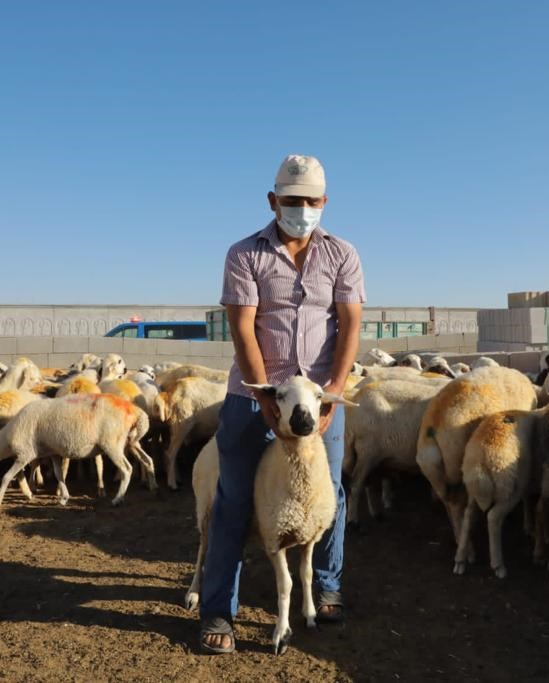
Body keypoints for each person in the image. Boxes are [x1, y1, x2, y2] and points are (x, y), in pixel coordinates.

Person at [198, 154, 365, 654]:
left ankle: (328, 587)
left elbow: (350, 324)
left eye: (311, 201)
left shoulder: (343, 255)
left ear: (324, 203)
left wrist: (333, 392)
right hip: (253, 397)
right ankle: (218, 612)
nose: (302, 209)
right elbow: (243, 326)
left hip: (317, 401)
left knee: (327, 492)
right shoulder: (244, 254)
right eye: (292, 201)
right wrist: (262, 394)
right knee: (233, 497)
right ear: (273, 201)